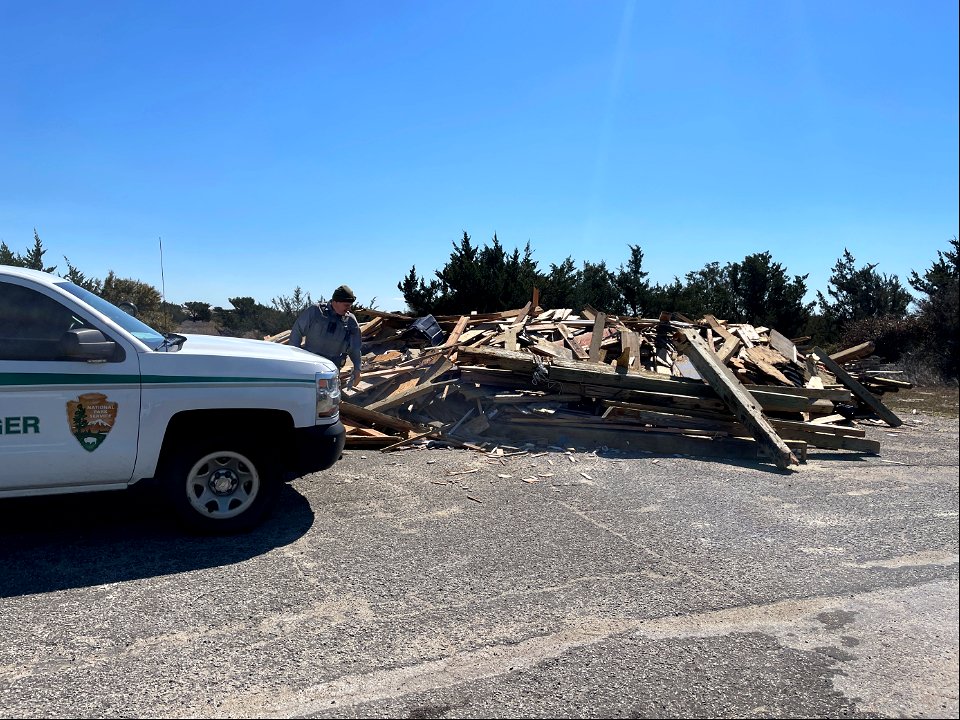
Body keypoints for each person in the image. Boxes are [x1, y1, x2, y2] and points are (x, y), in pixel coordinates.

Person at [289, 284, 362, 389]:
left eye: (350, 305)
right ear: (335, 301)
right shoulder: (315, 312)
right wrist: (295, 360)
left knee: (327, 401)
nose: (349, 308)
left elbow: (355, 348)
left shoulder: (350, 321)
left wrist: (357, 370)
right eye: (346, 305)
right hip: (309, 367)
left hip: (331, 371)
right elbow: (297, 332)